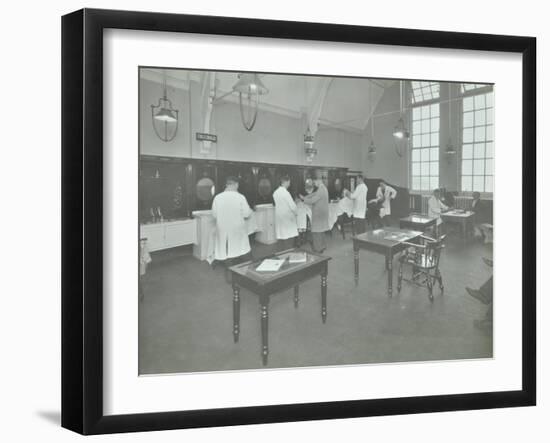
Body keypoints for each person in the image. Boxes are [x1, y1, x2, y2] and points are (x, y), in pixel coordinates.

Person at [211, 176, 253, 263]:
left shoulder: (217, 197)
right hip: (237, 228)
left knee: (226, 248)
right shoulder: (240, 197)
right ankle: (241, 265)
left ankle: (228, 263)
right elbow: (247, 214)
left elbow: (214, 215)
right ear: (236, 185)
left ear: (226, 185)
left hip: (223, 228)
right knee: (240, 248)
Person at [300, 174, 329, 253]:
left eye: (314, 182)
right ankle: (322, 246)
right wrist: (307, 196)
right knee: (321, 231)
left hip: (318, 214)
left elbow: (312, 201)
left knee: (316, 232)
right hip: (321, 213)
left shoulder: (321, 189)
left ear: (318, 180)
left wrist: (303, 199)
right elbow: (314, 194)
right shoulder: (322, 188)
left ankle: (318, 249)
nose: (314, 184)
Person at [273, 175, 298, 250]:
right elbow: (292, 206)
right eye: (289, 182)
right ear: (285, 182)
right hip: (287, 217)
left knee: (281, 236)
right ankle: (289, 253)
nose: (289, 184)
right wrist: (296, 213)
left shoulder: (275, 192)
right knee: (289, 237)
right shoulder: (286, 193)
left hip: (279, 217)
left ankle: (282, 254)